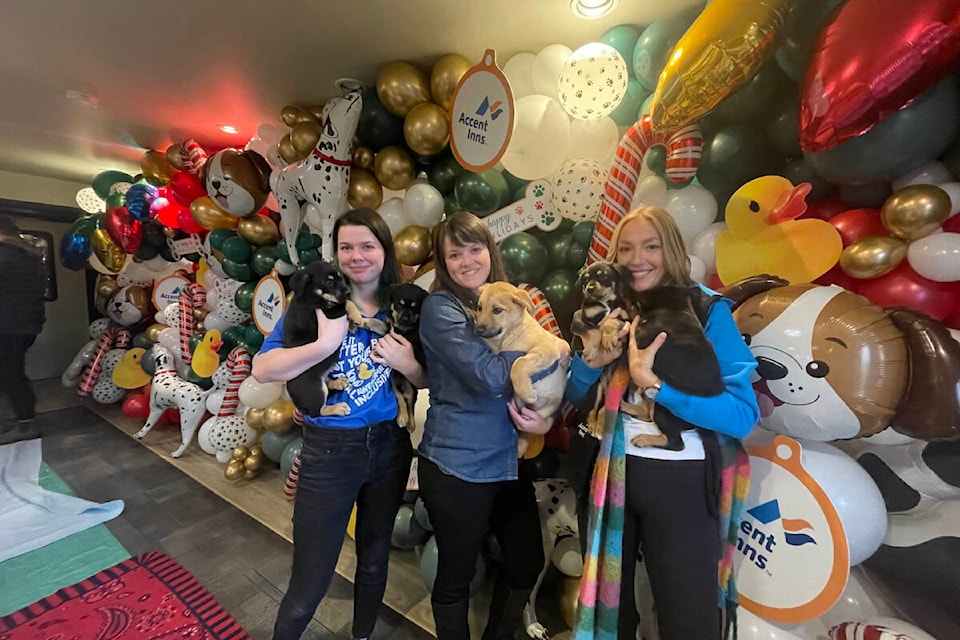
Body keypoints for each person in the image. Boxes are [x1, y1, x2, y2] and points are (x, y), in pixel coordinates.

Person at [566, 207, 760, 640]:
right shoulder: (611, 309)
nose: (638, 259)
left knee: (687, 617)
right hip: (610, 472)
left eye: (651, 246)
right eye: (627, 248)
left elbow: (742, 415)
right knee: (610, 618)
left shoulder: (704, 309)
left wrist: (655, 387)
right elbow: (576, 399)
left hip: (680, 481)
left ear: (671, 250)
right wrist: (588, 361)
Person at [252, 208, 427, 640]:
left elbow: (425, 379)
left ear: (384, 251)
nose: (356, 256)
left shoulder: (401, 305)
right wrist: (327, 342)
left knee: (373, 560)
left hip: (389, 446)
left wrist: (409, 364)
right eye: (346, 246)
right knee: (311, 576)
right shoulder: (317, 301)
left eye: (367, 245)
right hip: (330, 450)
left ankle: (363, 635)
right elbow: (263, 367)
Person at [417, 212, 562, 640]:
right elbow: (487, 375)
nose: (466, 261)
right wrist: (539, 351)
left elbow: (556, 364)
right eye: (454, 254)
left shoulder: (504, 297)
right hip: (456, 463)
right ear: (444, 263)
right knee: (456, 573)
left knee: (526, 561)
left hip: (505, 459)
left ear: (489, 249)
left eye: (474, 248)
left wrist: (547, 413)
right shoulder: (441, 306)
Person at [0, 215, 46, 436]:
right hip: (27, 325)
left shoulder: (3, 255)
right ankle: (23, 418)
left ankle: (25, 423)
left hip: (6, 325)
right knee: (13, 370)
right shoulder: (32, 257)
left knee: (10, 373)